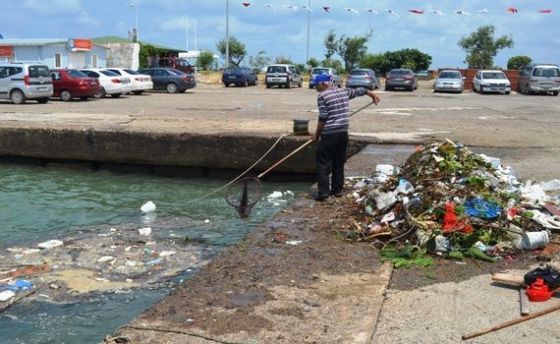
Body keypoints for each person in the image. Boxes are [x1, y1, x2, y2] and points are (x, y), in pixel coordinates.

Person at [311, 73, 380, 201]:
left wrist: (316, 136)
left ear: (323, 84)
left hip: (329, 134)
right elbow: (362, 90)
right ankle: (337, 191)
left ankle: (324, 194)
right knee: (338, 163)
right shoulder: (344, 91)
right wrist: (373, 95)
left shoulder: (322, 96)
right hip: (343, 134)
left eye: (316, 84)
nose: (315, 87)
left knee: (323, 163)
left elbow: (323, 118)